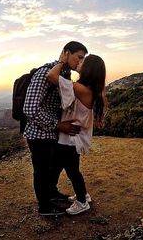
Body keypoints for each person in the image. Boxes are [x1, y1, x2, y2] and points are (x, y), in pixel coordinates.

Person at [23, 41, 88, 216]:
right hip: (38, 134)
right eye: (79, 58)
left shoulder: (64, 75)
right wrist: (58, 125)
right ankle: (44, 207)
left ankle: (51, 194)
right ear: (66, 53)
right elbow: (30, 108)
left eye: (84, 60)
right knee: (42, 171)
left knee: (53, 168)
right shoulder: (44, 73)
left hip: (52, 134)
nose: (80, 63)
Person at [47, 52, 107, 215]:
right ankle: (83, 195)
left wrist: (61, 61)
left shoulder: (80, 88)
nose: (80, 62)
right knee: (72, 168)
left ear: (89, 70)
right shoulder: (92, 89)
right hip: (75, 137)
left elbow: (51, 76)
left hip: (71, 138)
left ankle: (82, 202)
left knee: (73, 171)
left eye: (83, 61)